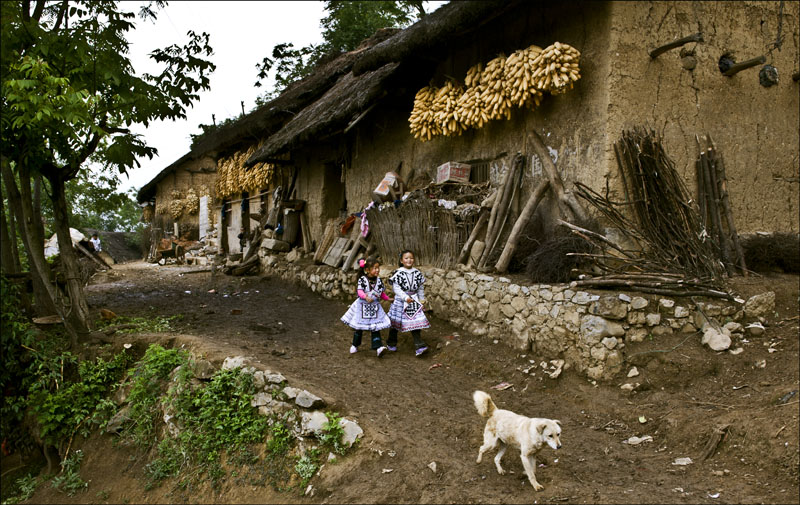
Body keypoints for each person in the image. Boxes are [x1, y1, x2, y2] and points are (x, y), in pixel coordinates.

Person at [340, 257, 393, 356]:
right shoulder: (363, 280)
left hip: (374, 307)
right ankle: (355, 345)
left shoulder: (379, 281)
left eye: (378, 268)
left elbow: (381, 293)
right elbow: (359, 291)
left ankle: (378, 347)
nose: (377, 270)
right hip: (362, 307)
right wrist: (365, 296)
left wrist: (387, 299)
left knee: (375, 326)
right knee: (359, 327)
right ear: (367, 270)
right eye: (374, 268)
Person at [387, 250, 430, 357]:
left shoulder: (417, 273)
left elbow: (420, 288)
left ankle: (419, 346)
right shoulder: (398, 273)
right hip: (400, 301)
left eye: (411, 258)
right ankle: (391, 343)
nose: (409, 260)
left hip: (413, 300)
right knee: (395, 323)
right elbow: (396, 288)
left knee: (415, 321)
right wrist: (405, 297)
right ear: (401, 261)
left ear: (414, 259)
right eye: (406, 258)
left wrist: (421, 300)